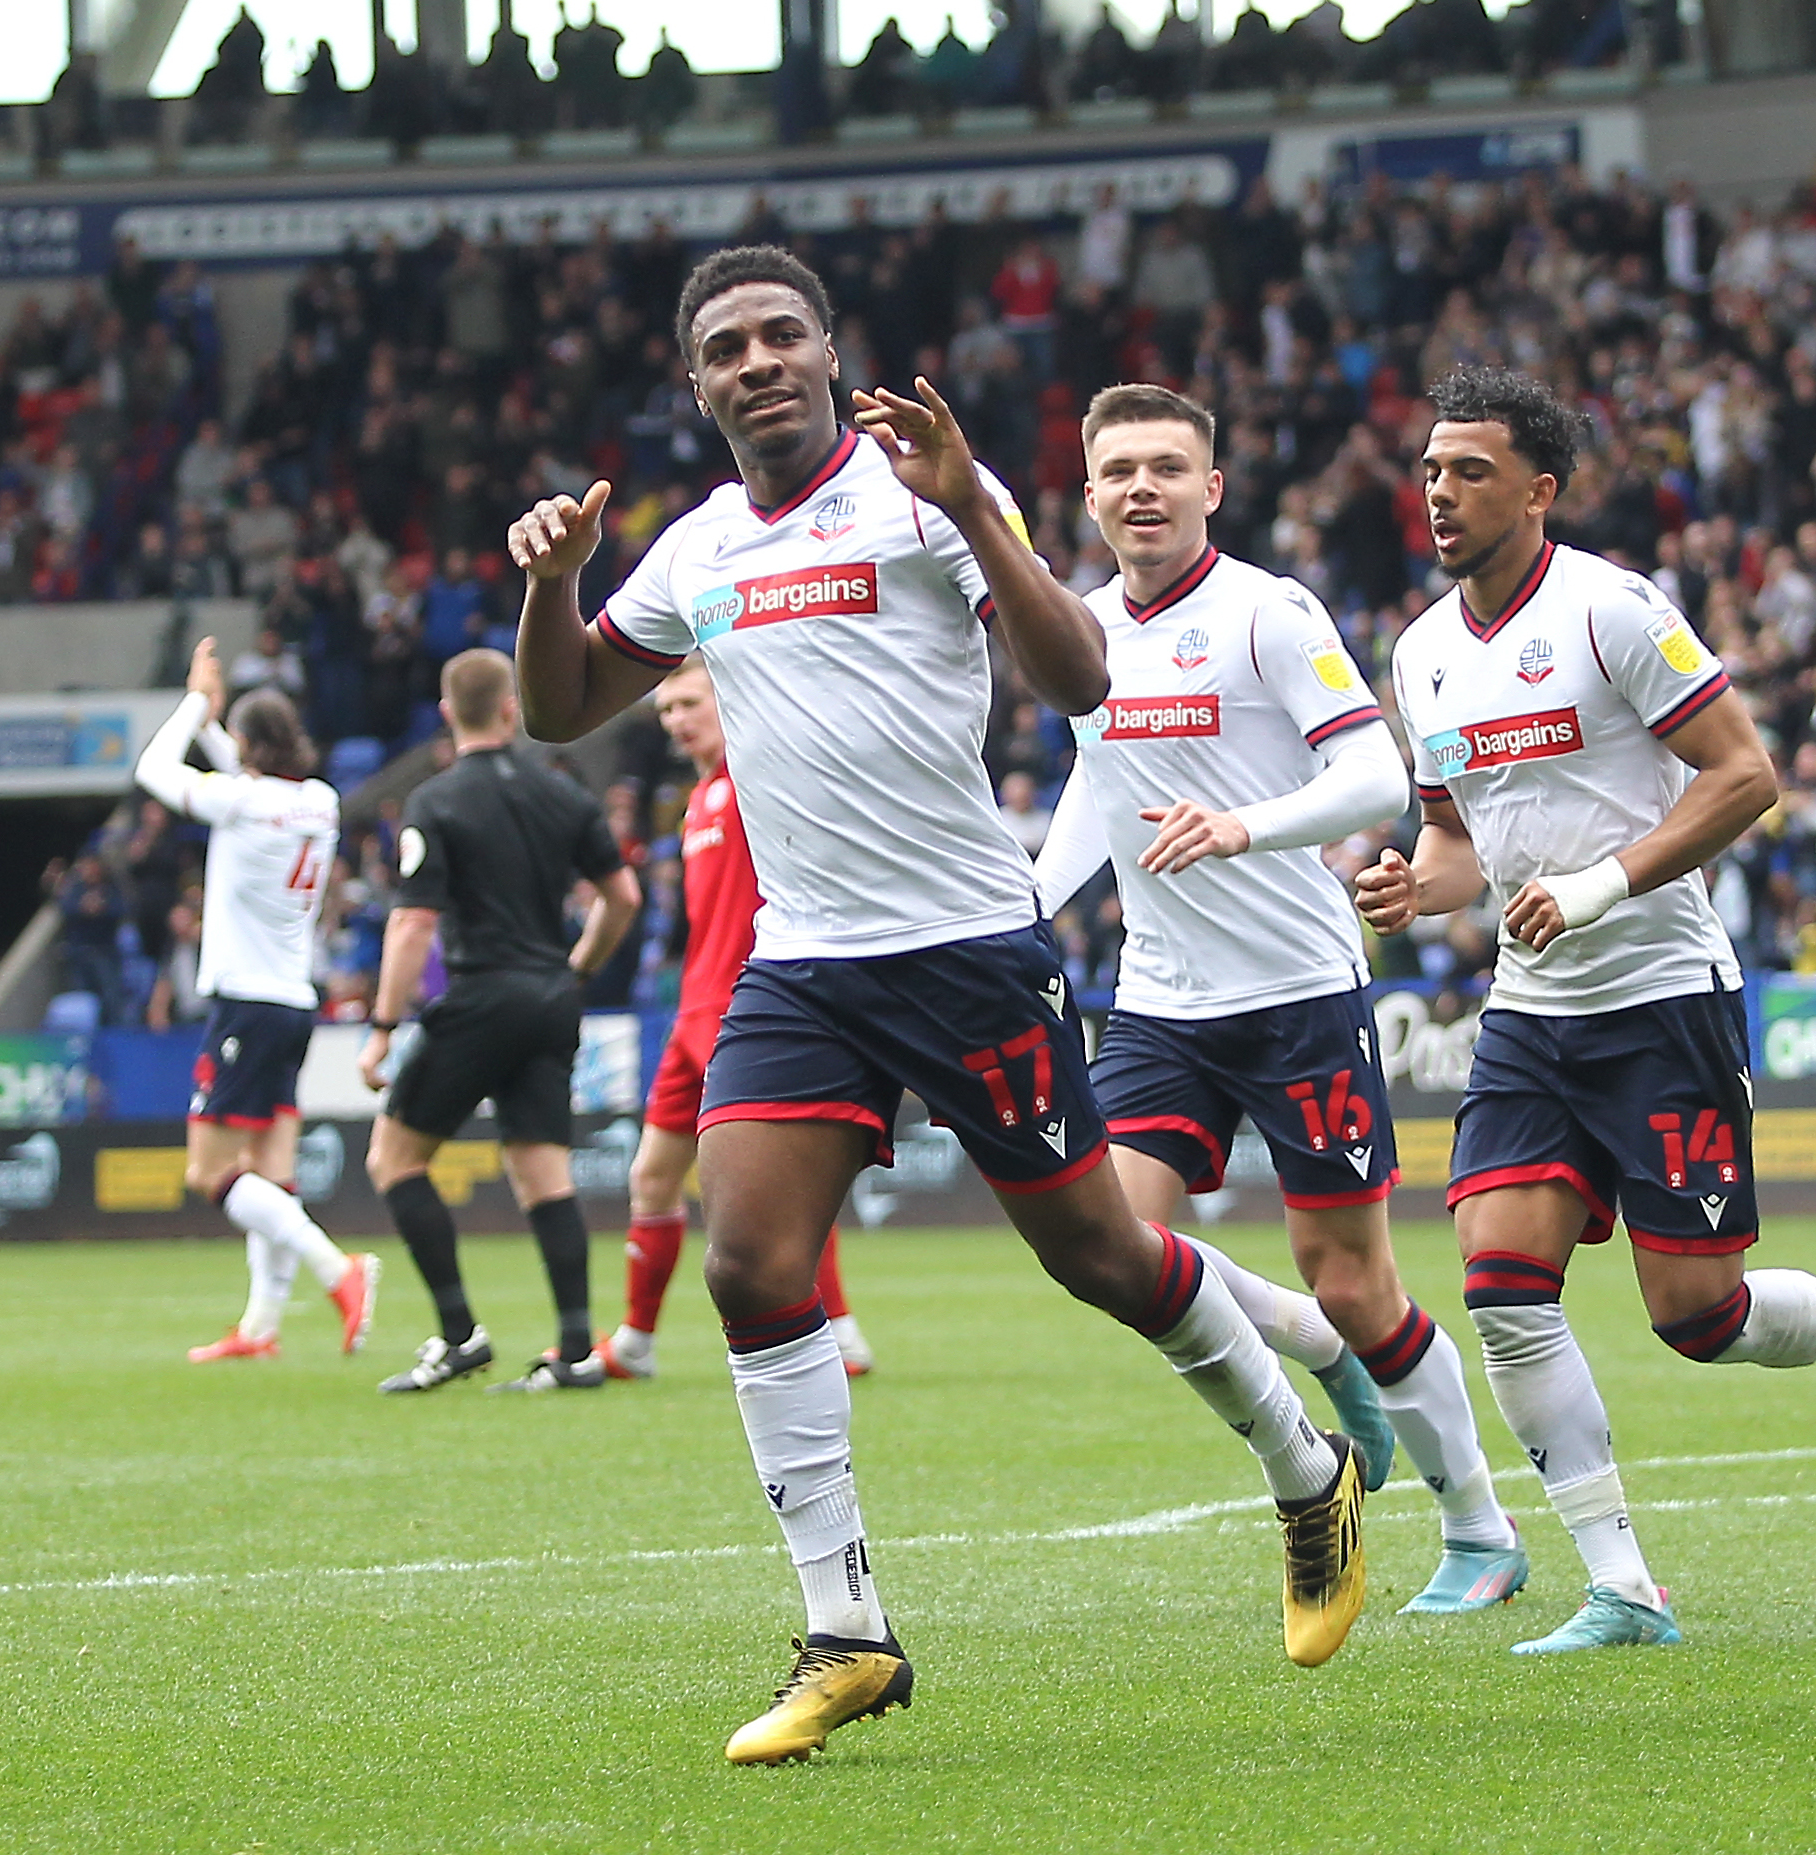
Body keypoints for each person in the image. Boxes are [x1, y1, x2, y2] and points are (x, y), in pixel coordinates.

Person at [510, 246, 1372, 1763]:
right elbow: (561, 705)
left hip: (971, 946)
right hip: (805, 965)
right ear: (695, 381)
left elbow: (1081, 675)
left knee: (1102, 1254)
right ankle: (845, 1630)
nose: (758, 359)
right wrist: (552, 582)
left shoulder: (922, 494)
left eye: (784, 333)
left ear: (832, 352)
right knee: (747, 1259)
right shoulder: (698, 543)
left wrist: (978, 504)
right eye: (727, 345)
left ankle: (1306, 1470)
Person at [1355, 365, 1816, 1656]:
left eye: (1468, 470)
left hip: (1660, 998)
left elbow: (1743, 775)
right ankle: (1622, 1581)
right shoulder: (1416, 656)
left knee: (1698, 1314)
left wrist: (1595, 883)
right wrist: (1416, 880)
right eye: (1427, 470)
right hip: (1530, 1010)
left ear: (1539, 487)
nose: (1439, 492)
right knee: (1499, 1281)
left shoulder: (1611, 613)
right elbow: (1456, 841)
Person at [1037, 382, 1521, 1612]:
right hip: (1159, 1000)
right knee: (1113, 1249)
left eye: (1166, 466)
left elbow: (1374, 777)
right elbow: (1097, 794)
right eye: (1119, 470)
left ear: (1212, 488)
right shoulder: (1082, 630)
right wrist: (1024, 908)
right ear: (1089, 497)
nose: (1141, 487)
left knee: (1359, 1281)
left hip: (1301, 991)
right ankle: (1317, 1355)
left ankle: (1480, 1529)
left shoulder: (1268, 611)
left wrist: (1244, 827)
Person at [362, 649, 642, 1395]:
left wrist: (384, 1024)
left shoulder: (436, 799)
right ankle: (576, 1349)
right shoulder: (563, 794)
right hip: (551, 996)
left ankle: (460, 1336)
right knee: (544, 1172)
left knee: (395, 1160)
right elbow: (623, 898)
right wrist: (576, 969)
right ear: (512, 711)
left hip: (483, 994)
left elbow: (413, 922)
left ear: (450, 716)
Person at [608, 659, 872, 1383]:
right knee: (651, 1176)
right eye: (665, 712)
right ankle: (635, 1340)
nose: (675, 720)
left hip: (746, 1007)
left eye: (689, 703)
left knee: (778, 1187)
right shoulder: (696, 800)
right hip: (693, 1010)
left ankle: (841, 1331)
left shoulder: (763, 773)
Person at [134, 639, 378, 1363]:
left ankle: (341, 1270)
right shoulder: (319, 802)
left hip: (243, 1004)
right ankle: (261, 1327)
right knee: (270, 1173)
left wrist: (192, 704)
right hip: (293, 1004)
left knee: (209, 1173)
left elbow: (154, 769)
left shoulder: (240, 801)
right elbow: (245, 769)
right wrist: (219, 720)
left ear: (246, 744)